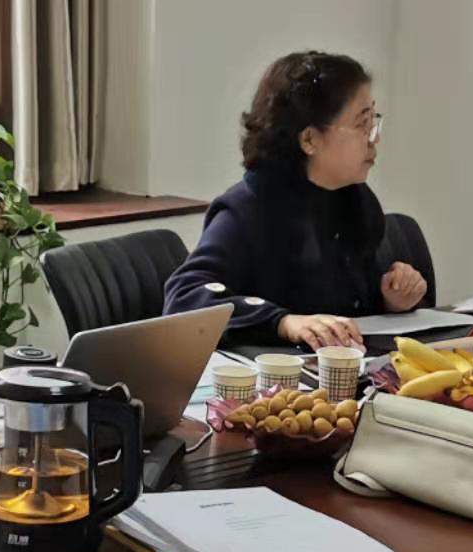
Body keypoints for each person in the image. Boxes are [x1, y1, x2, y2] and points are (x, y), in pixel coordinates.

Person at [164, 51, 431, 350]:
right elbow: (184, 296)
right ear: (309, 140)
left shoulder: (354, 200)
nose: (374, 138)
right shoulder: (247, 209)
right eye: (362, 124)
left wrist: (390, 298)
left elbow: (349, 306)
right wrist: (283, 322)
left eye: (374, 121)